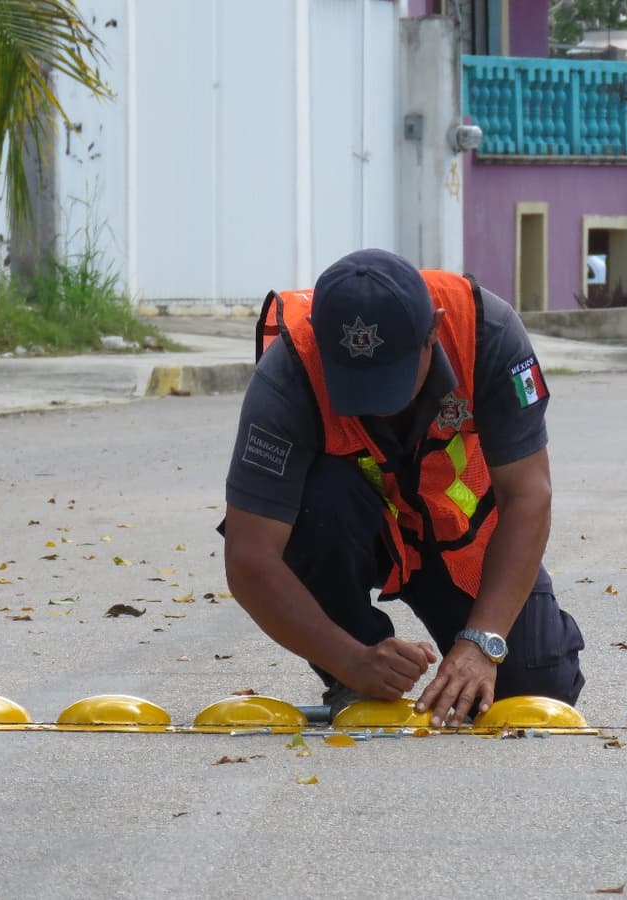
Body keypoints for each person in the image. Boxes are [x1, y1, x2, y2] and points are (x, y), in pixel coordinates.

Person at [222, 248, 584, 727]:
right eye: (354, 384)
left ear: (432, 331)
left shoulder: (487, 335)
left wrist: (483, 641)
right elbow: (250, 556)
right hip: (352, 534)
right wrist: (347, 657)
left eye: (389, 379)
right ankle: (358, 672)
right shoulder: (290, 369)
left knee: (535, 688)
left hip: (459, 541)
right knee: (320, 500)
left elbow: (528, 495)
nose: (377, 406)